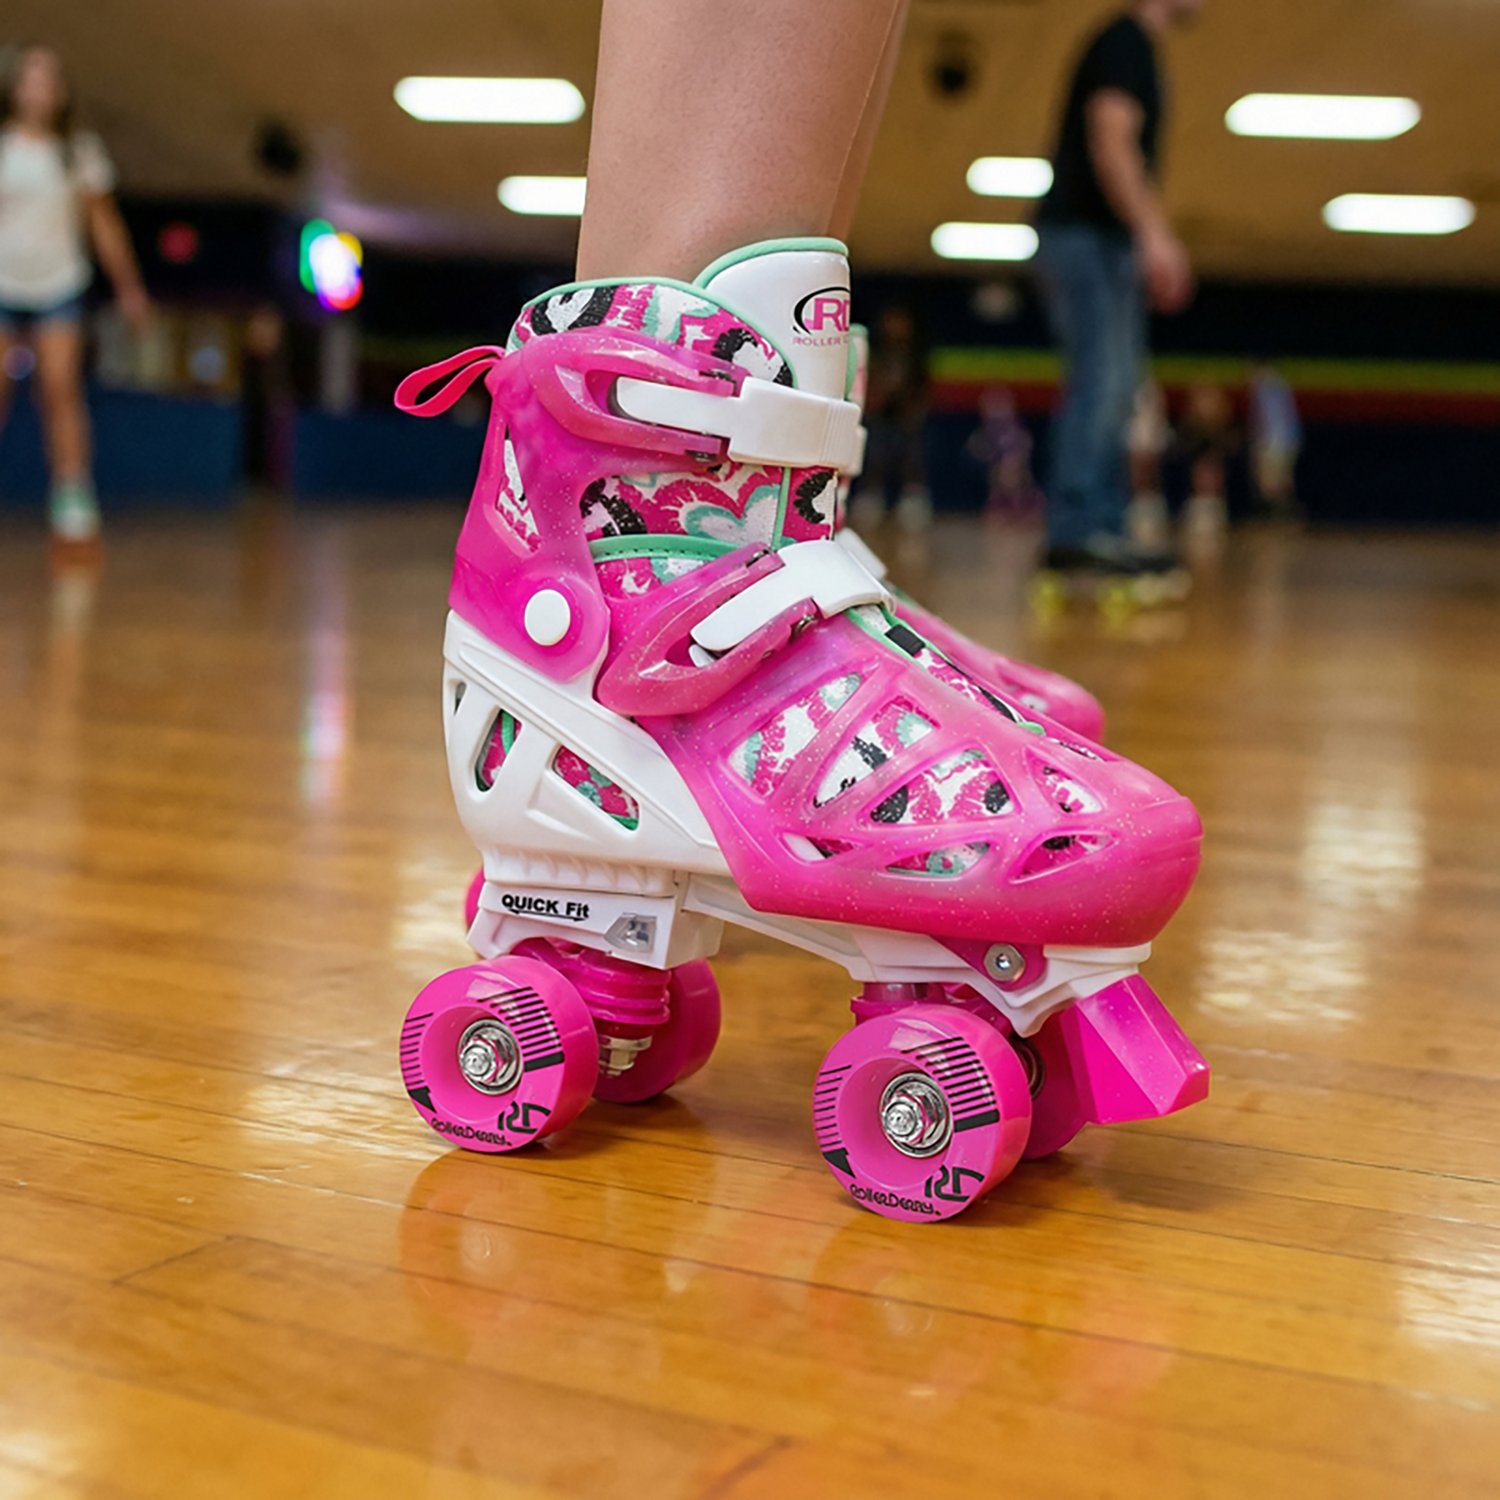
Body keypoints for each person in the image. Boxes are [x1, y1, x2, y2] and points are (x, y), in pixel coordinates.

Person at [1033, 0, 1203, 574]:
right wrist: (1155, 236)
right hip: (1087, 238)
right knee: (1102, 383)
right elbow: (1112, 141)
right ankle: (1080, 530)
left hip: (1098, 240)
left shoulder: (1134, 45)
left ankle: (1102, 525)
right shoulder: (1124, 40)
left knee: (1118, 384)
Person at [0, 43, 149, 542]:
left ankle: (72, 498)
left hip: (59, 284)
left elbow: (103, 223)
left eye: (52, 78)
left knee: (60, 389)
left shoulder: (77, 153)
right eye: (34, 77)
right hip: (2, 283)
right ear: (14, 86)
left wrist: (129, 287)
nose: (44, 88)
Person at [1248, 360, 1303, 517]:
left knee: (1272, 483)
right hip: (1282, 441)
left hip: (1274, 442)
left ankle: (1280, 517)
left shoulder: (1267, 387)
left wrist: (1260, 443)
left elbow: (1267, 419)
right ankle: (1279, 517)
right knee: (1277, 482)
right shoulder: (1278, 384)